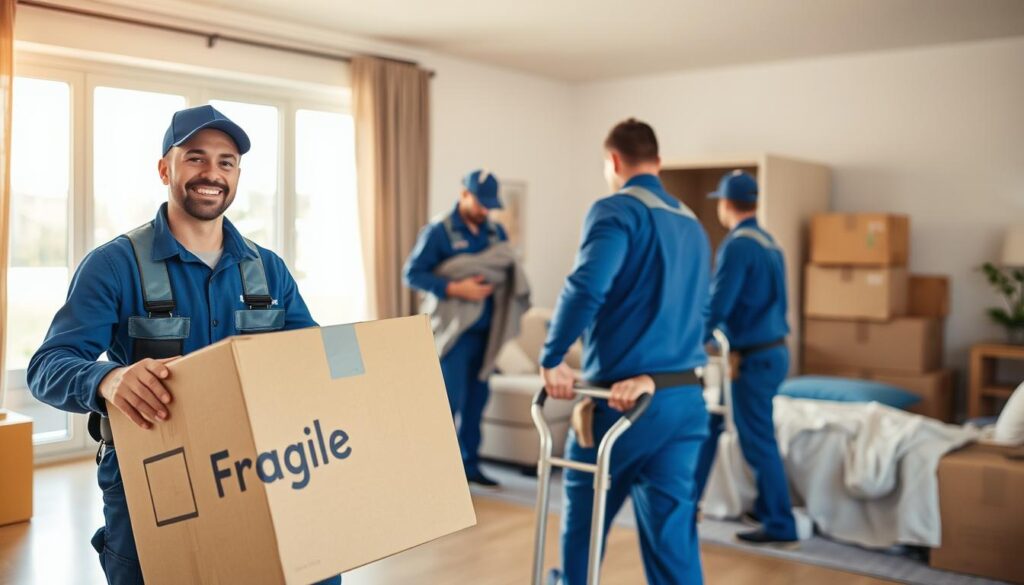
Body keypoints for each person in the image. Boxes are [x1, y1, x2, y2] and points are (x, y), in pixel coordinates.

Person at [27, 105, 341, 585]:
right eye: (195, 158)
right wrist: (108, 378)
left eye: (226, 161)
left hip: (259, 469)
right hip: (154, 479)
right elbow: (47, 367)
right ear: (165, 169)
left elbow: (311, 357)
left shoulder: (269, 270)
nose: (212, 173)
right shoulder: (114, 265)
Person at [541, 119, 711, 584]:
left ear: (613, 161)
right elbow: (705, 308)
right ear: (658, 161)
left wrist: (553, 354)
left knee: (585, 516)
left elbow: (586, 287)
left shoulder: (616, 211)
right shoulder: (694, 224)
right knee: (672, 541)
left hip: (622, 406)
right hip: (683, 401)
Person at [693, 170, 798, 547]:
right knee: (710, 424)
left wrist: (689, 343)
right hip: (770, 351)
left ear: (724, 204)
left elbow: (719, 304)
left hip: (752, 358)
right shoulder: (769, 243)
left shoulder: (737, 245)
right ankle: (687, 504)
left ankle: (781, 525)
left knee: (757, 441)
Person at [403, 170, 513, 489]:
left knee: (478, 401)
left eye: (490, 205)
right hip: (454, 335)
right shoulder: (439, 231)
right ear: (464, 193)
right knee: (447, 401)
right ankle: (437, 470)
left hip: (486, 332)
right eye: (480, 203)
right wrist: (454, 288)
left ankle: (470, 465)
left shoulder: (496, 233)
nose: (484, 210)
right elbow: (412, 274)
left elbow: (505, 266)